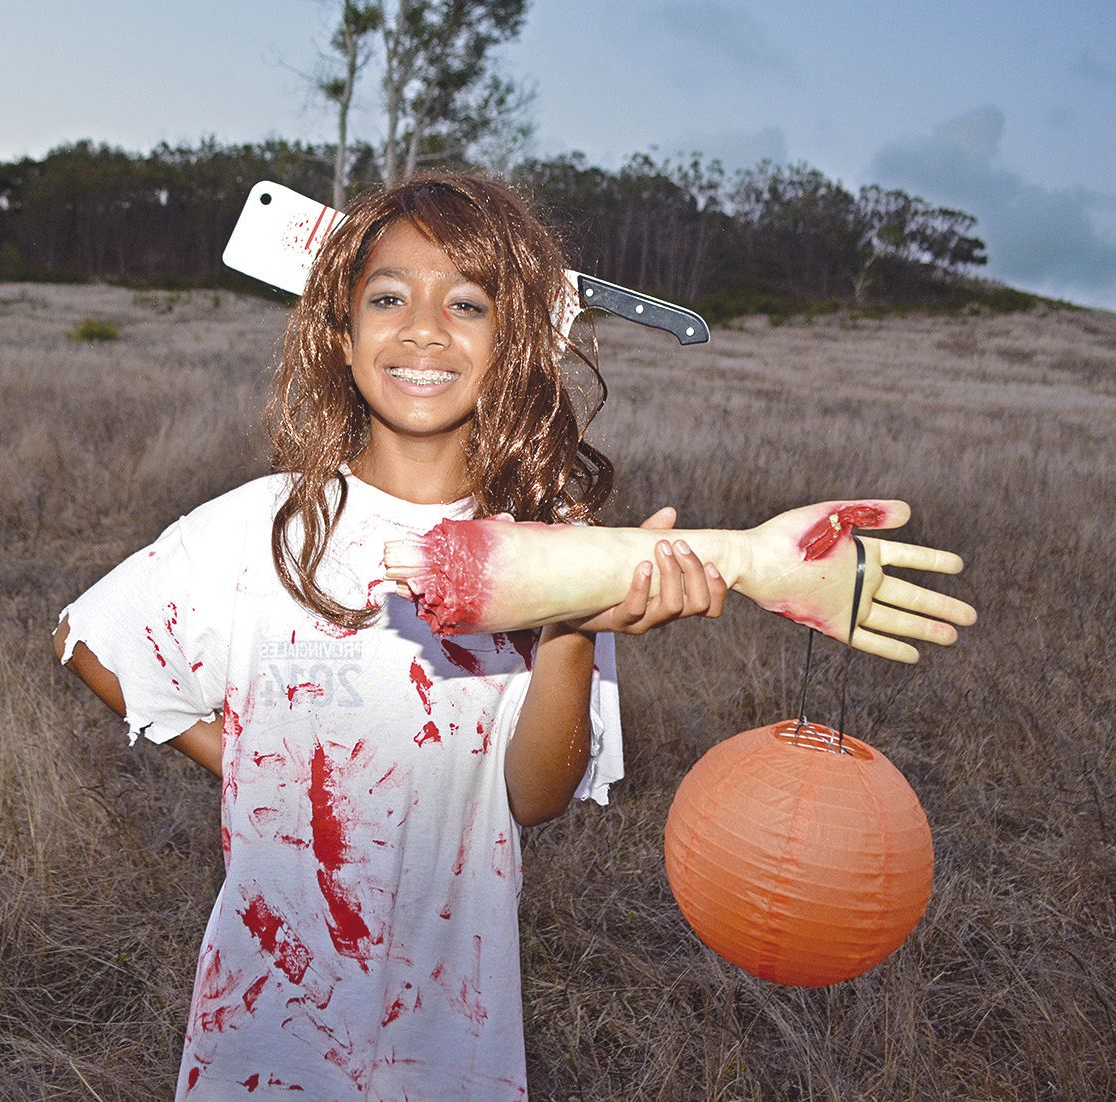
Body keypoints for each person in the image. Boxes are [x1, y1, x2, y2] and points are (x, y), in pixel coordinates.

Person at [54, 172, 726, 1099]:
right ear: (341, 332)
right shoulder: (264, 529)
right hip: (264, 1026)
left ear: (516, 345)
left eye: (466, 303)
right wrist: (250, 762)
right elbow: (89, 637)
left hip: (448, 1033)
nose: (422, 328)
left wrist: (569, 627)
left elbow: (531, 799)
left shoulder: (545, 557)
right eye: (386, 297)